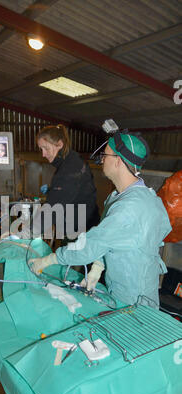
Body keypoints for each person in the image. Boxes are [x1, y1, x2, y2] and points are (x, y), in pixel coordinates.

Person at [29, 130, 172, 308]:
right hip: (124, 285)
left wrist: (49, 260)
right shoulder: (127, 197)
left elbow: (88, 246)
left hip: (133, 296)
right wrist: (99, 264)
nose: (102, 159)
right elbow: (115, 240)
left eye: (105, 155)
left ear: (118, 161)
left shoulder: (129, 208)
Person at [29, 124, 99, 240]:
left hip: (81, 233)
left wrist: (26, 233)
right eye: (41, 149)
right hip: (85, 223)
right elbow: (72, 192)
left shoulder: (70, 169)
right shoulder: (72, 159)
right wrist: (53, 191)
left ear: (59, 144)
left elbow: (52, 210)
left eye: (46, 148)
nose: (43, 154)